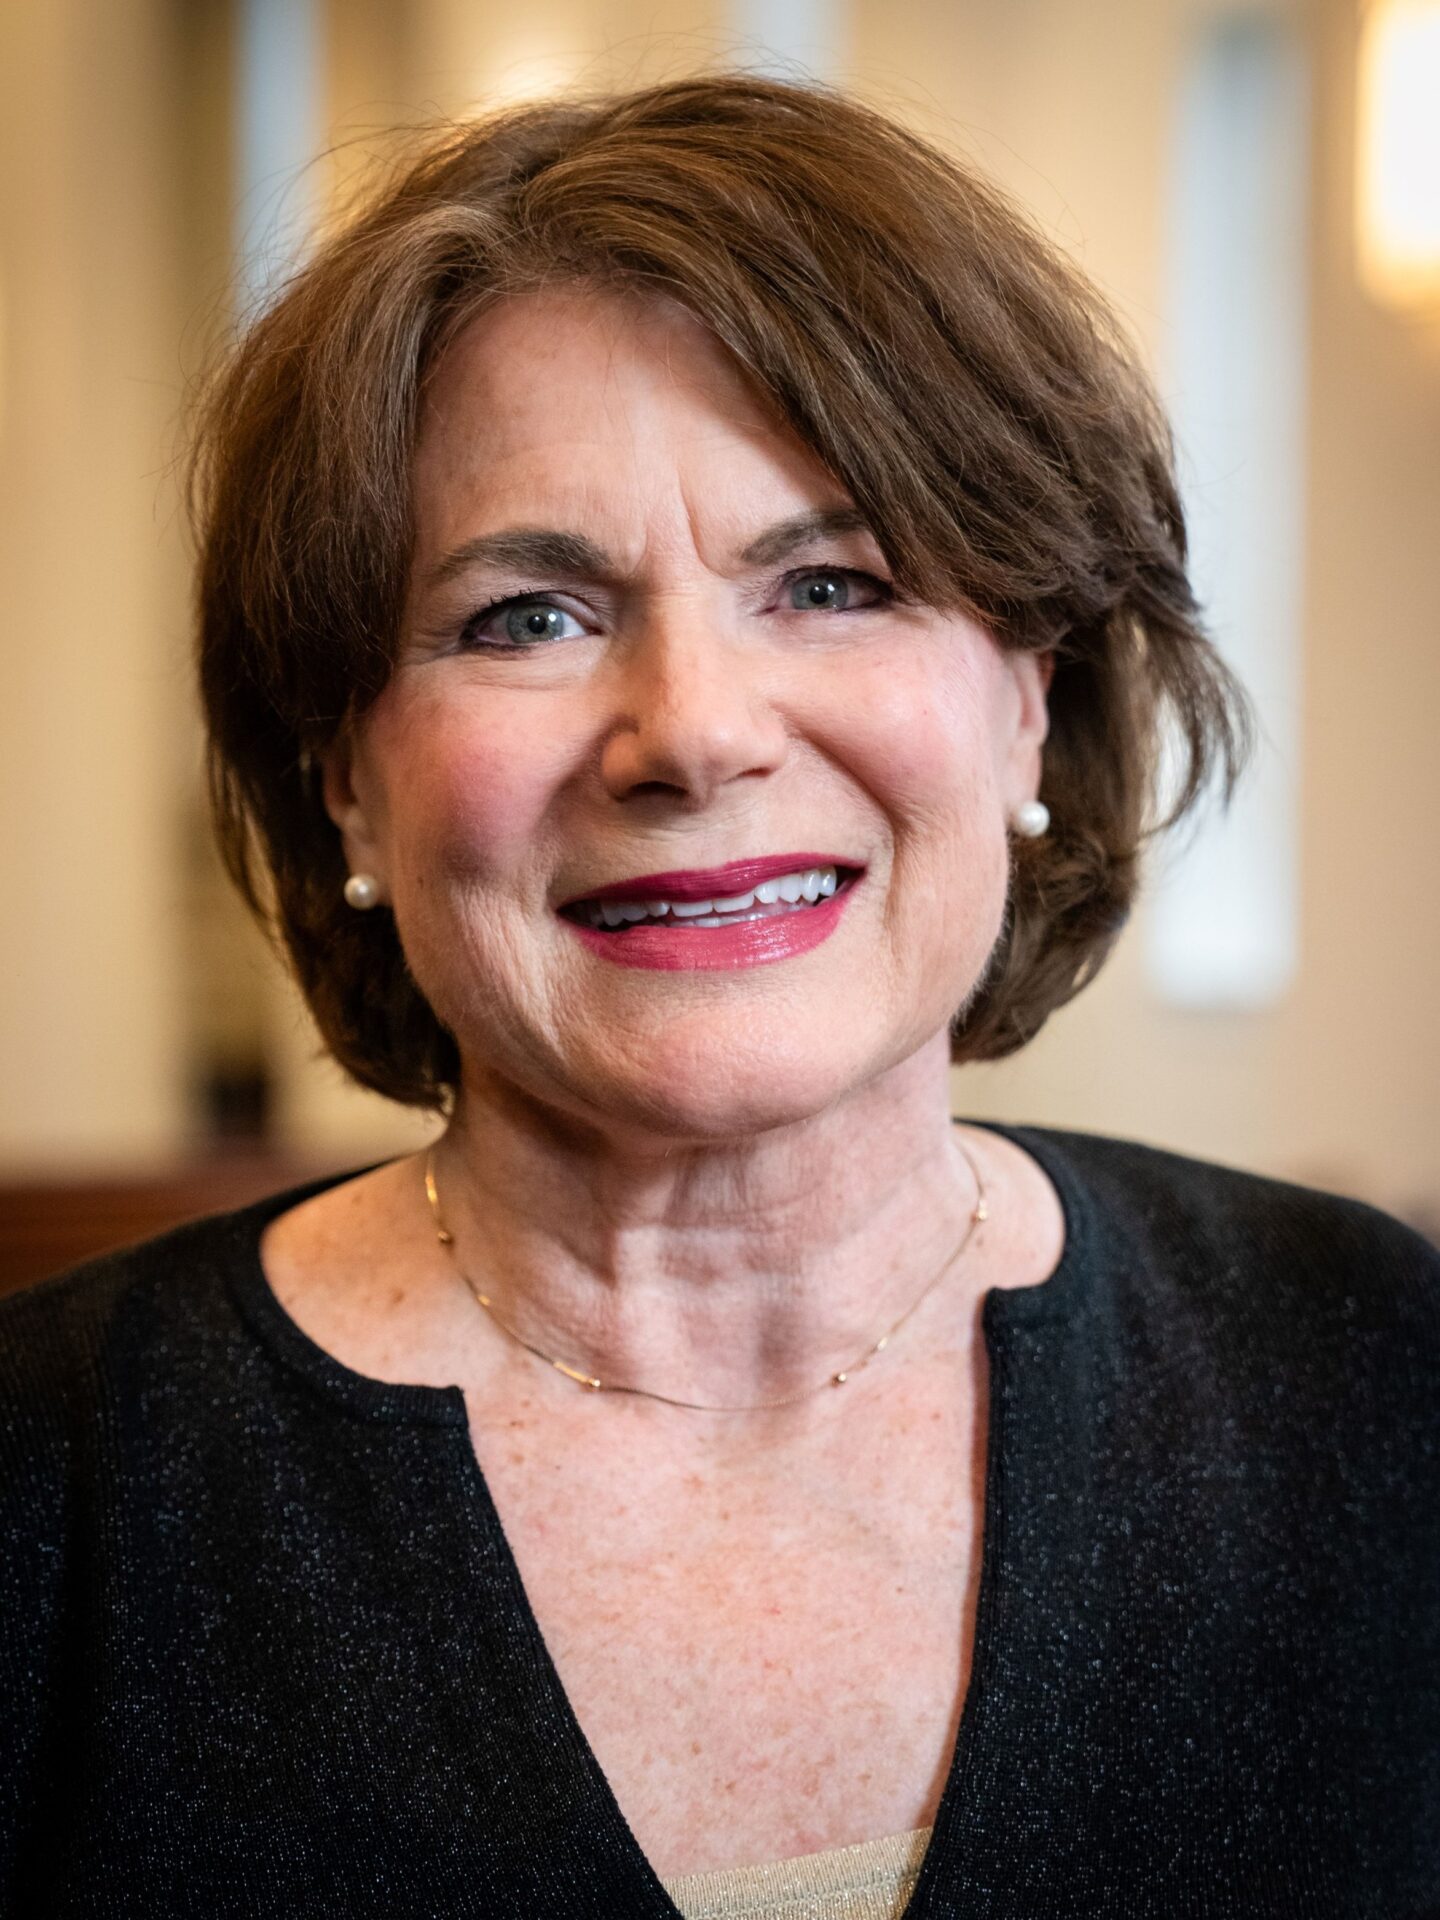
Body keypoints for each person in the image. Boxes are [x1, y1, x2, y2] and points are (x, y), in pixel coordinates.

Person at [2, 72, 1436, 1920]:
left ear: (1029, 698)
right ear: (346, 775)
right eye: (528, 616)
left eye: (830, 584)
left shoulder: (1363, 1369)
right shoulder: (47, 1482)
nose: (690, 732)